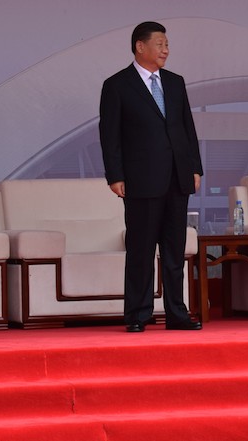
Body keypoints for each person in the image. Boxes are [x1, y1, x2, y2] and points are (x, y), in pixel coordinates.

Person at [99, 21, 204, 332]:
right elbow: (110, 135)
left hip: (177, 178)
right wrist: (114, 175)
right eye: (159, 44)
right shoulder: (117, 85)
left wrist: (194, 167)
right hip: (141, 179)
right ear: (140, 47)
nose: (166, 50)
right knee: (142, 251)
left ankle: (177, 313)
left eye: (167, 44)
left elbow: (187, 128)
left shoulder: (175, 82)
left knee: (174, 252)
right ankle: (137, 314)